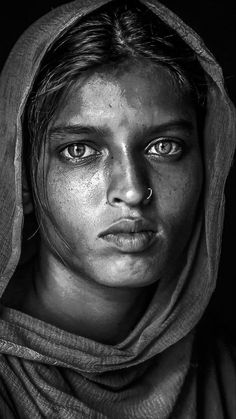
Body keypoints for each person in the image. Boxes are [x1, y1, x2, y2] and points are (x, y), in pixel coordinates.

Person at [0, 0, 235, 417]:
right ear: (21, 180)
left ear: (210, 168)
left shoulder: (224, 369)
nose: (131, 190)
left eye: (164, 147)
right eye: (80, 150)